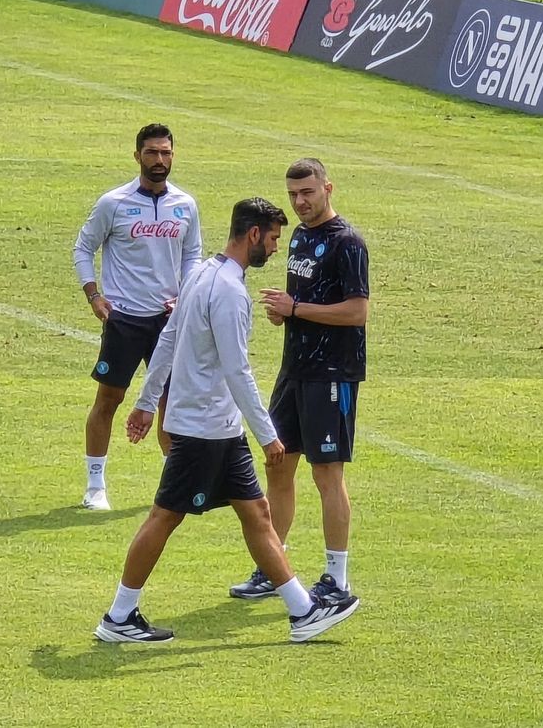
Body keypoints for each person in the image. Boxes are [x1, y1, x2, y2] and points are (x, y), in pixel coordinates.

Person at [93, 197, 359, 644]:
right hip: (205, 429)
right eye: (272, 237)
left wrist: (146, 401)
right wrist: (268, 435)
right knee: (164, 517)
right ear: (253, 234)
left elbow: (168, 340)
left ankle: (303, 610)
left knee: (257, 513)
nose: (276, 247)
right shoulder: (231, 293)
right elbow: (238, 371)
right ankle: (119, 616)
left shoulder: (199, 274)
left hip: (218, 427)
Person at [229, 159, 369, 605]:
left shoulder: (348, 242)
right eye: (293, 195)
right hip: (294, 371)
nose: (300, 202)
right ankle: (274, 568)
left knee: (327, 474)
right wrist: (284, 314)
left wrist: (296, 310)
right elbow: (302, 303)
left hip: (331, 374)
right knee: (278, 464)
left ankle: (337, 578)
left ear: (328, 188)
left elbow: (357, 312)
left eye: (307, 192)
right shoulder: (299, 237)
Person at [73, 123, 203, 511]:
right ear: (137, 156)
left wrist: (186, 295)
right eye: (152, 152)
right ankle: (95, 486)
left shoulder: (185, 204)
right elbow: (83, 248)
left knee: (171, 401)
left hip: (168, 321)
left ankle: (173, 486)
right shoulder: (113, 203)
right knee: (109, 398)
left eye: (165, 152)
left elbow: (192, 254)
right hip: (124, 319)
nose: (159, 160)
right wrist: (94, 295)